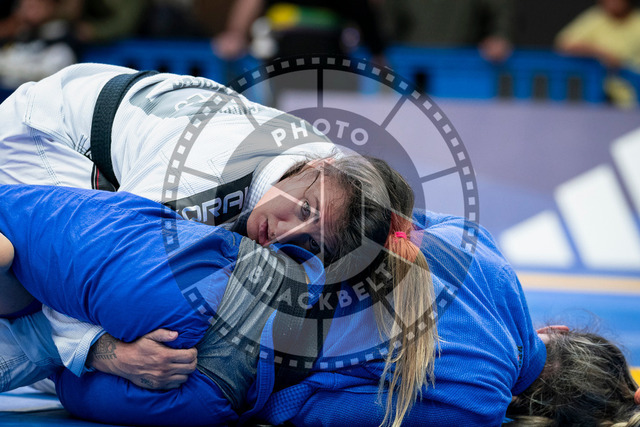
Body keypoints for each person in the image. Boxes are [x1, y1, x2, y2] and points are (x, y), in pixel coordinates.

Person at [0, 166, 434, 426]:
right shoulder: (204, 176)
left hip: (201, 290)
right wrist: (101, 355)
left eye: (312, 240)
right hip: (212, 373)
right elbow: (71, 387)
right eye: (304, 209)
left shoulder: (266, 237)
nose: (285, 232)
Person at [555, 0, 640, 108]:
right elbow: (564, 43)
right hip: (606, 94)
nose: (612, 2)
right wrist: (601, 53)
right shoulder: (596, 18)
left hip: (635, 92)